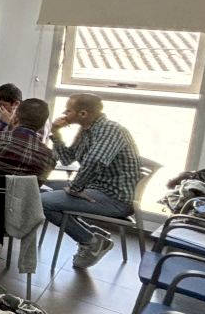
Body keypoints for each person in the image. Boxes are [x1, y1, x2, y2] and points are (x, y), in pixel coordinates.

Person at [43, 94, 141, 269]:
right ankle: (92, 234)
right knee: (37, 187)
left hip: (114, 197)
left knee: (41, 202)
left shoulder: (110, 130)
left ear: (83, 113)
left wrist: (75, 188)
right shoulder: (87, 130)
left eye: (68, 110)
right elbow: (67, 159)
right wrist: (55, 133)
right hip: (95, 188)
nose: (64, 113)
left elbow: (95, 161)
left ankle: (91, 241)